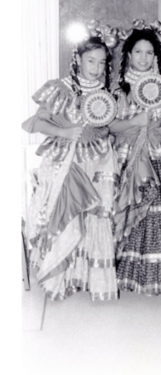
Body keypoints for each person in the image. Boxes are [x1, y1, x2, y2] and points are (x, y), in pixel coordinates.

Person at [22, 26, 120, 301]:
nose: (97, 67)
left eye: (102, 62)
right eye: (91, 61)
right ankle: (58, 278)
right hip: (65, 160)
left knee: (94, 217)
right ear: (77, 59)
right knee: (68, 217)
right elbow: (35, 122)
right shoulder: (60, 88)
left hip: (98, 159)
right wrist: (64, 132)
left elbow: (105, 126)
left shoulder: (104, 92)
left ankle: (86, 277)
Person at [109, 21, 161, 296]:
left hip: (159, 153)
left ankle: (158, 277)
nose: (143, 57)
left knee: (158, 209)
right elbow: (110, 126)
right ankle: (132, 276)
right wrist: (136, 122)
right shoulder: (119, 89)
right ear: (128, 55)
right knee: (135, 209)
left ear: (157, 57)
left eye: (149, 53)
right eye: (138, 52)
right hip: (130, 156)